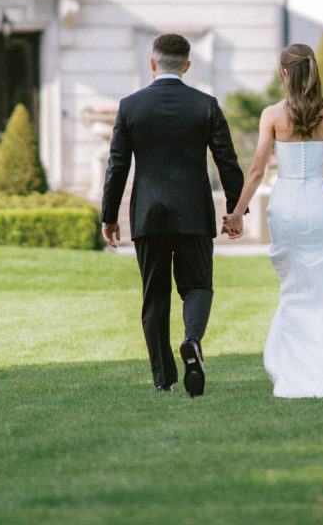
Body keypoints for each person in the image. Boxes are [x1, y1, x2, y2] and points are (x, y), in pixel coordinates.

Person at [101, 33, 244, 396]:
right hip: (194, 213)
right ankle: (192, 340)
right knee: (198, 285)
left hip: (148, 215)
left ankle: (163, 380)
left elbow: (117, 165)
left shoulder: (130, 106)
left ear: (153, 63)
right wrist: (236, 210)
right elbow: (227, 160)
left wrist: (109, 215)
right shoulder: (205, 105)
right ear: (187, 65)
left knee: (155, 296)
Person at [224, 43, 323, 398]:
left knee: (294, 287)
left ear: (284, 72)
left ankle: (295, 369)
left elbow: (256, 171)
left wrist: (237, 213)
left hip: (286, 205)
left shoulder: (271, 115)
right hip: (320, 200)